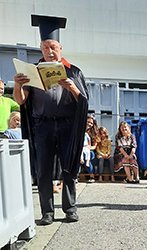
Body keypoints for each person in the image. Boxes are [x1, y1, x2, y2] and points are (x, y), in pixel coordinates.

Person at [13, 14, 88, 225]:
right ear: (41, 48)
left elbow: (83, 101)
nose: (50, 51)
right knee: (43, 169)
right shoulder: (31, 71)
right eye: (45, 47)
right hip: (42, 125)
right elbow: (21, 101)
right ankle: (47, 212)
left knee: (69, 167)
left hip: (66, 125)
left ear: (60, 47)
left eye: (53, 47)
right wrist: (18, 85)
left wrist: (71, 86)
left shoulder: (73, 71)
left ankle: (70, 208)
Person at [84, 114, 100, 183]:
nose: (89, 124)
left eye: (91, 123)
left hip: (91, 151)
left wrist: (88, 148)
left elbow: (94, 146)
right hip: (80, 150)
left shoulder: (94, 133)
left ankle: (91, 176)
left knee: (89, 155)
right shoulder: (79, 130)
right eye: (88, 122)